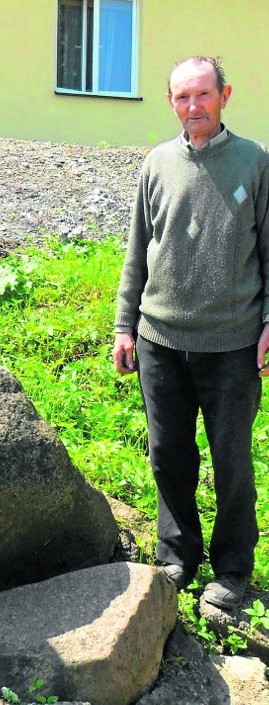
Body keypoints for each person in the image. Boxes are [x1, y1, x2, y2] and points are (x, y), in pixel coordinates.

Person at [112, 56, 269, 610]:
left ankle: (232, 570)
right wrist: (124, 325)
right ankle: (177, 558)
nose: (193, 107)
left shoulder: (254, 162)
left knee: (231, 459)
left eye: (203, 95)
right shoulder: (156, 164)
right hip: (160, 341)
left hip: (233, 344)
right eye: (182, 97)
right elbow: (138, 252)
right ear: (171, 102)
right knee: (167, 457)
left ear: (224, 95)